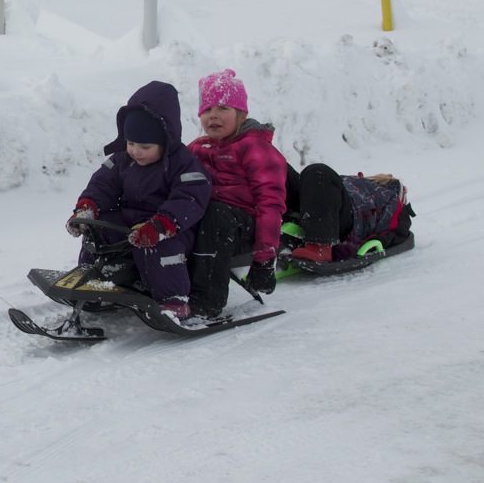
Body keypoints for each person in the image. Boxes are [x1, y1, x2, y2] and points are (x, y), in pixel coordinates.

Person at [65, 81, 212, 320]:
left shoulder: (183, 164)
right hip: (130, 220)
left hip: (170, 228)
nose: (136, 151)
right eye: (131, 143)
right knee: (97, 229)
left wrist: (160, 225)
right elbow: (103, 184)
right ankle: (91, 281)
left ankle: (173, 300)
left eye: (145, 146)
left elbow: (189, 198)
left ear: (165, 140)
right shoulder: (122, 158)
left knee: (157, 246)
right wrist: (87, 209)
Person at [186, 69, 287, 317]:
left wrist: (264, 260)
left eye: (223, 108)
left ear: (242, 114)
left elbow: (270, 203)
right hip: (209, 223)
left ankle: (207, 301)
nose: (213, 116)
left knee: (216, 214)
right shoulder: (196, 148)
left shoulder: (255, 147)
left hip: (245, 229)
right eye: (207, 110)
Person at [286, 165, 413, 263]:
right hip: (310, 203)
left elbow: (395, 234)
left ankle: (320, 246)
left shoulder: (393, 203)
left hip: (343, 218)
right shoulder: (358, 182)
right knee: (279, 168)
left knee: (318, 172)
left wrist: (355, 246)